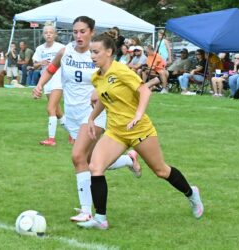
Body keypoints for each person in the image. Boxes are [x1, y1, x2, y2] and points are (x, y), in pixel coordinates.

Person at [77, 33, 204, 230]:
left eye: (96, 52)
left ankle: (191, 193)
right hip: (116, 131)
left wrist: (138, 115)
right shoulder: (97, 76)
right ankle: (100, 219)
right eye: (91, 52)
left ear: (109, 52)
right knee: (95, 167)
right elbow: (105, 98)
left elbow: (144, 90)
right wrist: (92, 118)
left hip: (139, 129)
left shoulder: (120, 70)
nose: (92, 56)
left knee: (161, 170)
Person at [33, 16, 142, 222]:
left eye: (83, 31)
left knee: (77, 157)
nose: (78, 36)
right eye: (75, 32)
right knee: (92, 160)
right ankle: (129, 159)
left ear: (92, 32)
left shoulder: (98, 56)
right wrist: (40, 84)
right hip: (73, 113)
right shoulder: (66, 51)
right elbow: (51, 69)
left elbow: (114, 78)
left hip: (94, 114)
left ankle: (86, 210)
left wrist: (100, 92)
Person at [32, 23, 67, 146]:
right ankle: (74, 135)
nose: (48, 34)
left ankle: (51, 140)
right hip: (47, 81)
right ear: (43, 35)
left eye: (51, 32)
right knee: (58, 112)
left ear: (55, 35)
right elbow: (34, 65)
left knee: (50, 108)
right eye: (46, 32)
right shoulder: (40, 49)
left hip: (58, 81)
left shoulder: (61, 48)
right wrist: (40, 62)